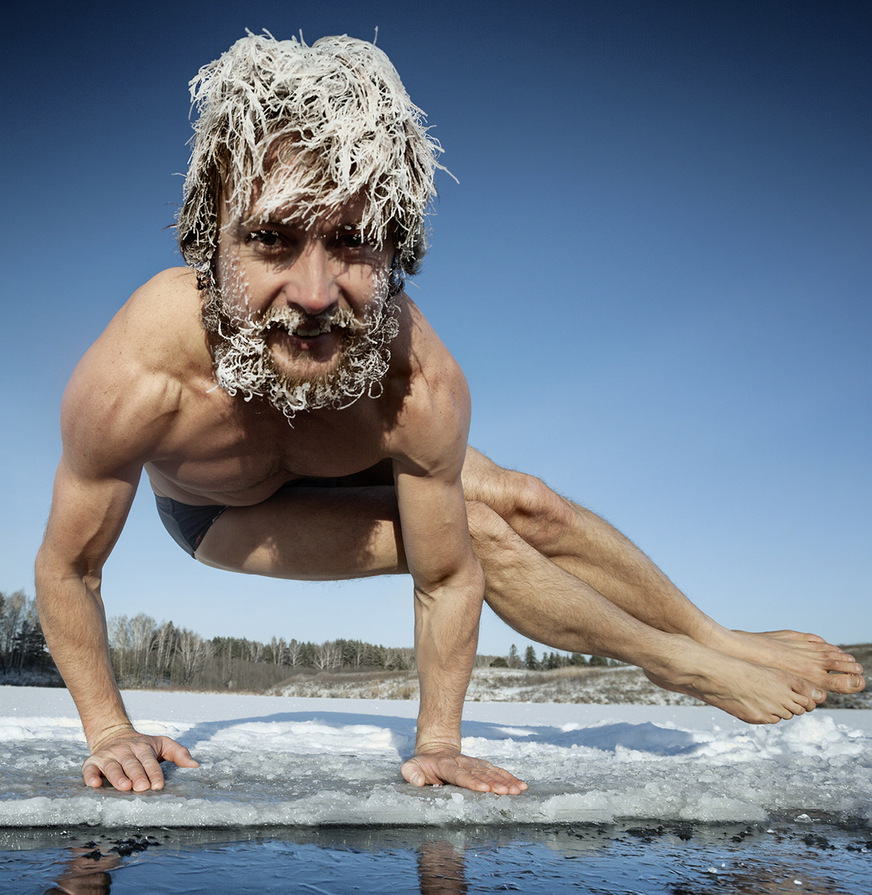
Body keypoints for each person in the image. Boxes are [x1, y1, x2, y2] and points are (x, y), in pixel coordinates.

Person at [35, 33, 864, 798]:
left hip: (345, 444)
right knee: (485, 531)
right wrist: (109, 728)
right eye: (273, 242)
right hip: (223, 512)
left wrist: (440, 741)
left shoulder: (418, 377)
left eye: (354, 244)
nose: (316, 295)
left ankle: (722, 636)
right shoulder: (139, 373)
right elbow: (69, 568)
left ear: (397, 249)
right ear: (208, 240)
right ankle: (679, 664)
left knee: (528, 500)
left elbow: (443, 581)